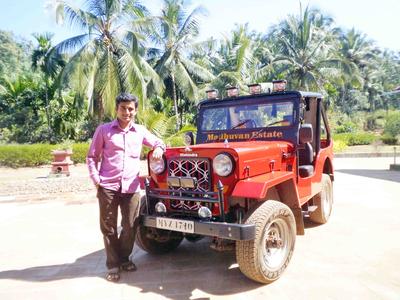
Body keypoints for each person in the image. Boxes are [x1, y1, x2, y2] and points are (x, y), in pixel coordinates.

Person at [86, 92, 165, 282]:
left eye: (130, 109)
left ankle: (124, 258)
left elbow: (158, 142)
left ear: (135, 111)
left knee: (131, 225)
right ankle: (113, 264)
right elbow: (91, 157)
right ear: (116, 109)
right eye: (123, 108)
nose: (126, 112)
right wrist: (97, 180)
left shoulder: (140, 131)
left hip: (131, 186)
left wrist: (159, 148)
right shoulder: (104, 130)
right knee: (109, 228)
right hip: (108, 186)